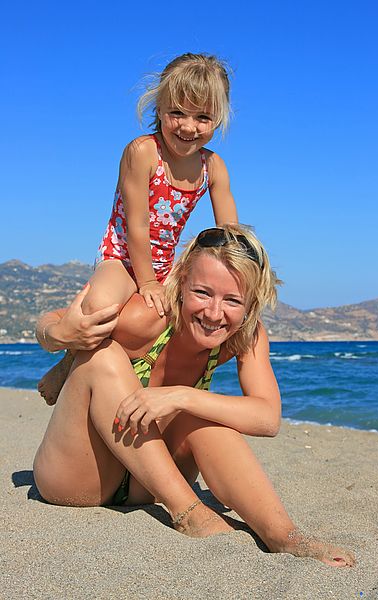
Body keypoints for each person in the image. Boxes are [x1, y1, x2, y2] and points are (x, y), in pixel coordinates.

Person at [33, 225, 355, 567]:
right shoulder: (147, 317)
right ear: (182, 282)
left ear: (251, 304)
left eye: (232, 300)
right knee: (101, 356)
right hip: (80, 477)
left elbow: (267, 417)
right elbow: (50, 321)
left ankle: (281, 534)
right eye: (202, 292)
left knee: (203, 417)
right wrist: (57, 333)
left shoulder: (245, 336)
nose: (214, 313)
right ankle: (189, 512)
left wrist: (181, 397)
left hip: (151, 486)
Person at [37, 52, 238, 405]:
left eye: (202, 117)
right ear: (158, 108)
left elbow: (231, 232)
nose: (188, 127)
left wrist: (241, 277)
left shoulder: (213, 167)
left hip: (166, 260)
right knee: (100, 305)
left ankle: (150, 387)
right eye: (177, 113)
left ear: (217, 119)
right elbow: (137, 226)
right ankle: (69, 358)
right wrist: (146, 281)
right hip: (122, 253)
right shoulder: (143, 152)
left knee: (165, 321)